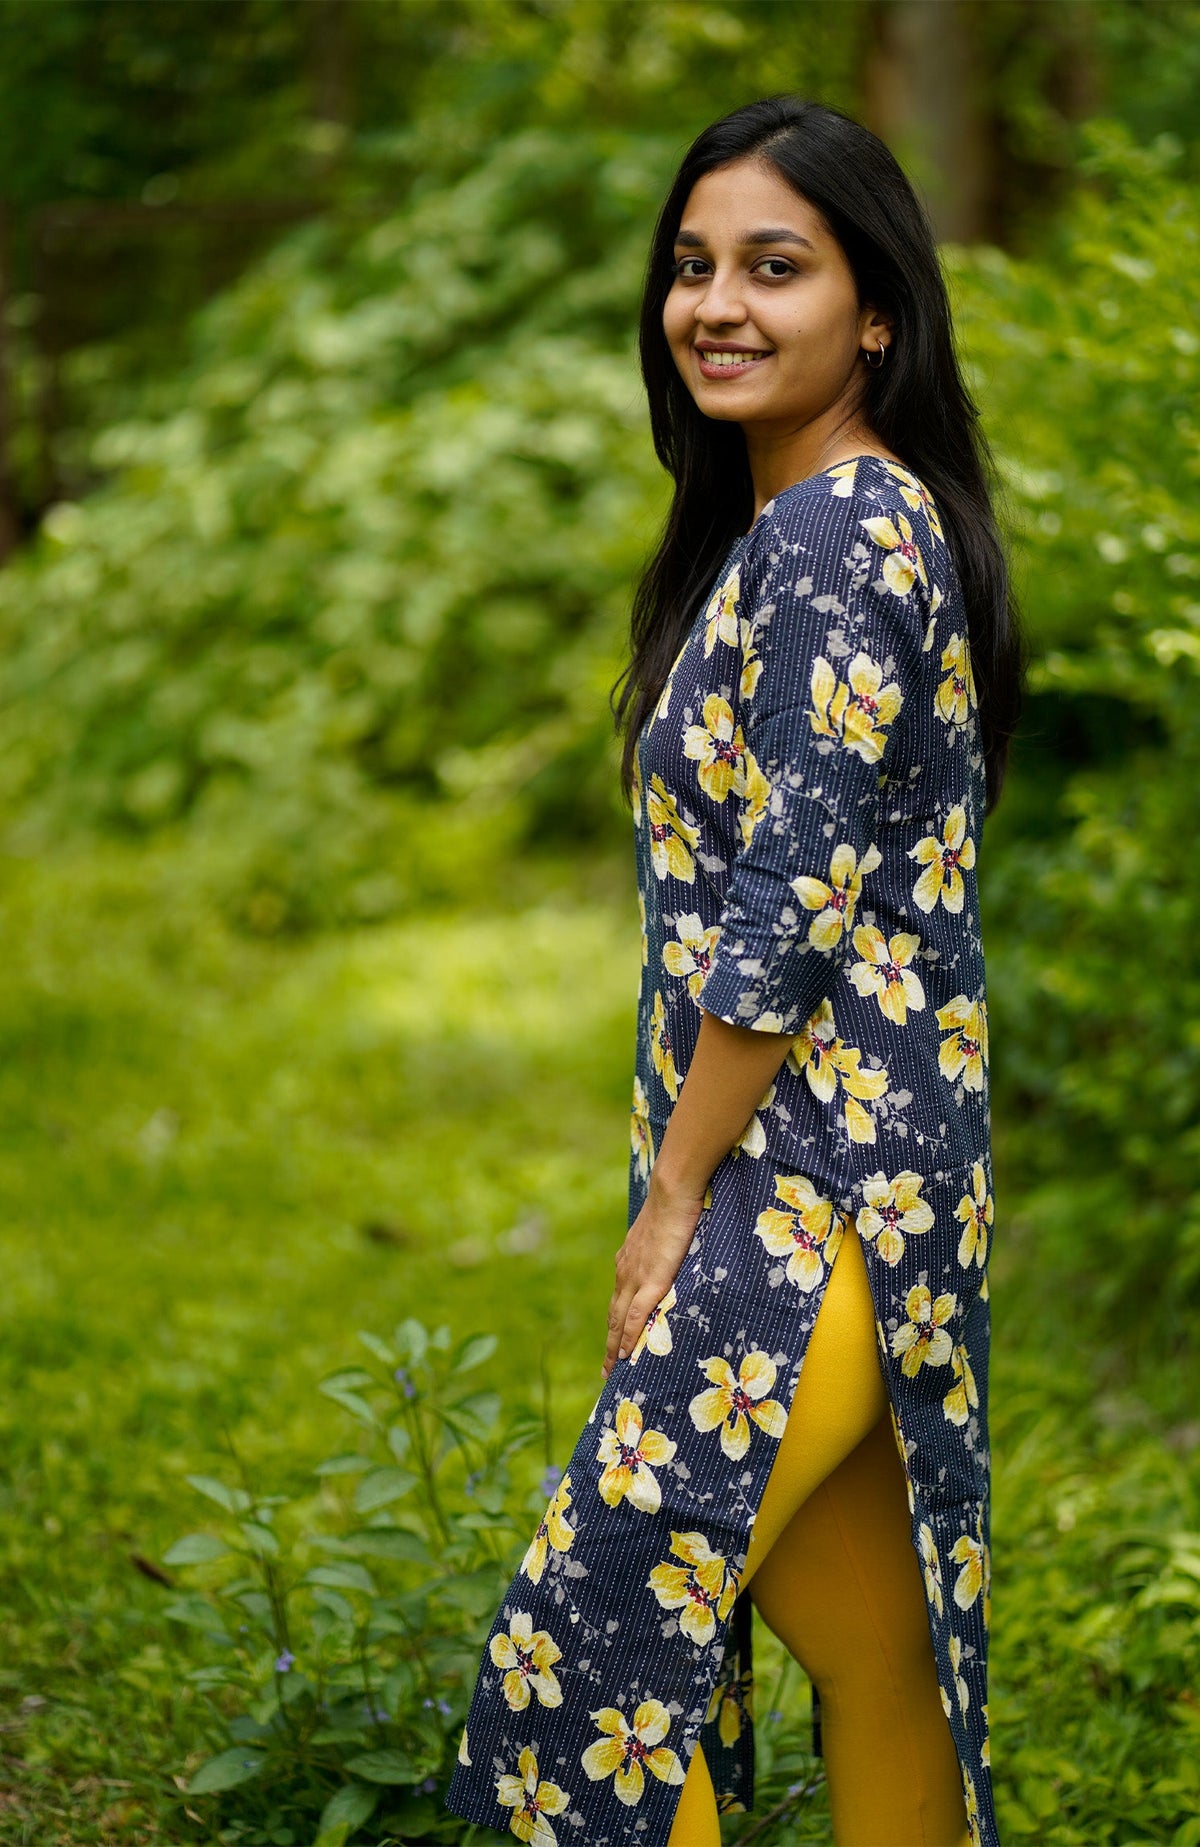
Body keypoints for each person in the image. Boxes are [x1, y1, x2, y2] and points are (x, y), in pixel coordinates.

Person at [445, 94, 1024, 1847]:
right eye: (692, 266)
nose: (716, 303)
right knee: (875, 1651)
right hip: (854, 1173)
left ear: (877, 316)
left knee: (583, 1666)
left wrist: (675, 1194)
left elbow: (783, 910)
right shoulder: (800, 531)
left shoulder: (841, 530)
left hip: (816, 1190)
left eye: (776, 266)